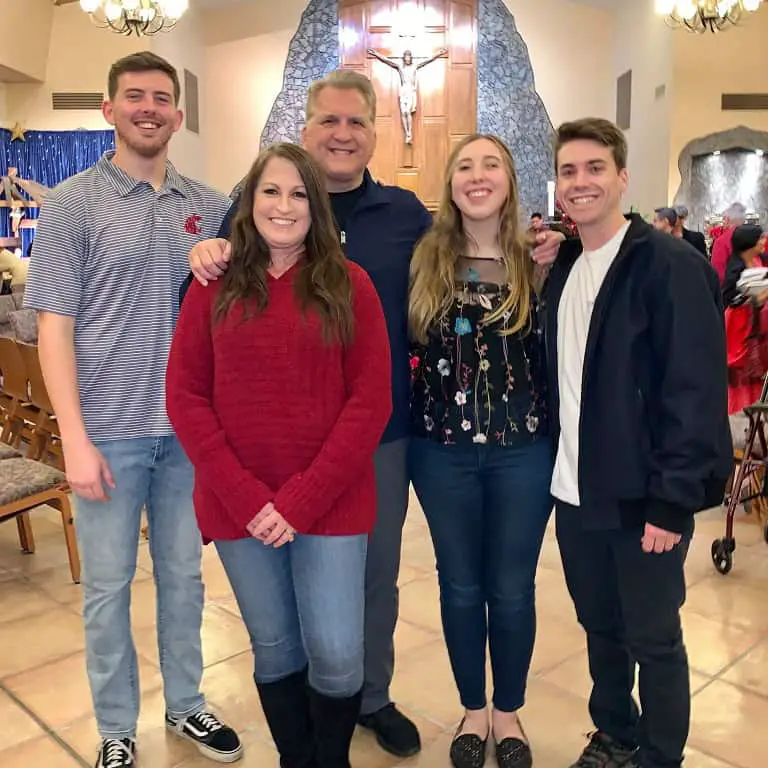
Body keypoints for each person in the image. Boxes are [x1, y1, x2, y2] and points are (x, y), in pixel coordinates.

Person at [185, 69, 564, 759]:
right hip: (265, 444)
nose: (341, 132)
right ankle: (305, 699)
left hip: (379, 432)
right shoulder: (259, 208)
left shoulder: (407, 217)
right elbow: (210, 298)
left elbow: (472, 262)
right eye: (328, 121)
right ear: (305, 132)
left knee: (372, 577)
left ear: (372, 134)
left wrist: (537, 255)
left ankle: (370, 695)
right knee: (288, 588)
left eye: (356, 122)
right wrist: (205, 252)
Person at [23, 52, 242, 768]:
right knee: (108, 588)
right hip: (107, 434)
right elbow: (53, 325)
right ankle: (117, 727)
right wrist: (73, 441)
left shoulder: (207, 205)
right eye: (134, 97)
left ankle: (186, 705)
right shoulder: (71, 203)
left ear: (177, 116)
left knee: (183, 578)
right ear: (109, 110)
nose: (148, 108)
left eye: (161, 98)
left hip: (187, 436)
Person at [166, 141, 392, 768]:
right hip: (238, 504)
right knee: (275, 646)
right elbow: (185, 397)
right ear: (249, 201)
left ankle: (331, 758)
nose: (284, 205)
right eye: (271, 191)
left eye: (299, 193)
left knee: (339, 650)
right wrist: (247, 499)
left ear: (317, 208)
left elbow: (370, 402)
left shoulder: (352, 286)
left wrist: (299, 501)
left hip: (331, 500)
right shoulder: (212, 287)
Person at [542, 118, 732, 768]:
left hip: (643, 496)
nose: (581, 182)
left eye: (595, 168)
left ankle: (659, 754)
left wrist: (672, 502)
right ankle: (616, 731)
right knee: (601, 628)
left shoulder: (668, 264)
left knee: (654, 638)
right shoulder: (566, 266)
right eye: (569, 171)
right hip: (576, 491)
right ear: (558, 187)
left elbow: (693, 392)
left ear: (622, 177)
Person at [408, 135, 552, 768]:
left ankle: (508, 711)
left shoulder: (542, 261)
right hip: (440, 452)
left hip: (524, 452)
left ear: (509, 179)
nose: (477, 175)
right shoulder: (422, 259)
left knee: (513, 589)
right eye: (465, 165)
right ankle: (473, 707)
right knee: (462, 586)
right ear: (451, 183)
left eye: (490, 163)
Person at [722, 224, 768, 414]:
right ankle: (737, 409)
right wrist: (757, 296)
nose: (763, 241)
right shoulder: (736, 268)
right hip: (739, 325)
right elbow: (730, 299)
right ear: (749, 243)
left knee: (754, 371)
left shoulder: (758, 260)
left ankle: (752, 407)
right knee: (740, 369)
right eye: (759, 239)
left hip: (756, 324)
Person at [365, 48, 448, 144]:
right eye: (406, 57)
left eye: (409, 57)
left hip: (410, 91)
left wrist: (438, 54)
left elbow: (427, 60)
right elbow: (387, 60)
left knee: (408, 112)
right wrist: (376, 54)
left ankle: (409, 134)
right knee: (403, 112)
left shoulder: (415, 66)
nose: (407, 59)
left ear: (410, 58)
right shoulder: (400, 67)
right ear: (404, 58)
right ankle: (407, 133)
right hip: (403, 90)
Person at [711, 202, 747, 283]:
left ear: (727, 219)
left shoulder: (721, 242)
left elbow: (718, 273)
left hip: (731, 290)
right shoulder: (753, 237)